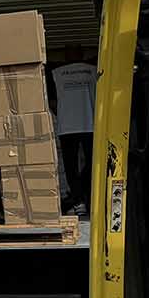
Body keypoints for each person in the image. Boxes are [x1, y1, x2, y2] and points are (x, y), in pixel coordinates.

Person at [51, 57, 97, 213]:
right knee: (91, 163)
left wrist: (62, 113)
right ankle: (84, 198)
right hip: (89, 122)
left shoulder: (56, 73)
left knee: (71, 165)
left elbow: (51, 101)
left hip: (68, 125)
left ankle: (78, 198)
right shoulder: (92, 69)